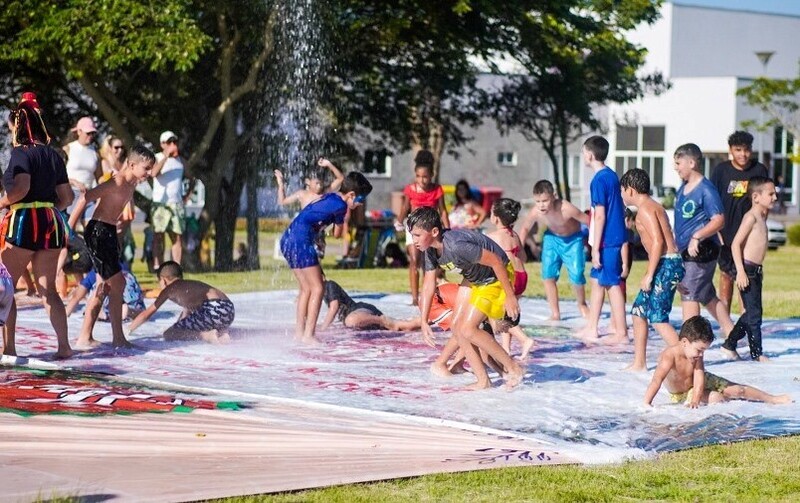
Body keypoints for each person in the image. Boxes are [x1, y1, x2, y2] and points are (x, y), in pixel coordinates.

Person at [410, 206, 524, 390]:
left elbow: (496, 261)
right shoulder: (430, 250)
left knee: (468, 329)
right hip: (474, 277)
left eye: (417, 235)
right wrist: (423, 321)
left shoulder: (456, 246)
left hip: (494, 276)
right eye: (412, 235)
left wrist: (510, 296)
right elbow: (428, 284)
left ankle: (513, 368)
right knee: (457, 327)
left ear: (434, 232)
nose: (413, 240)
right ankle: (483, 380)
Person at [0, 92, 74, 359]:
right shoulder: (54, 155)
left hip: (23, 222)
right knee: (49, 290)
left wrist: (2, 203)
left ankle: (9, 348)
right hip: (50, 223)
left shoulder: (21, 153)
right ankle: (64, 347)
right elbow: (67, 197)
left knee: (7, 287)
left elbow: (21, 188)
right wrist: (46, 209)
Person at [69, 143, 155, 349]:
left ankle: (87, 336)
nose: (149, 173)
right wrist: (68, 228)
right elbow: (85, 198)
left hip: (108, 233)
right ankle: (116, 338)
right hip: (98, 232)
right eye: (146, 168)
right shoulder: (116, 182)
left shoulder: (131, 184)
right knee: (117, 284)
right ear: (132, 165)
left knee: (104, 286)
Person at [280, 171, 373, 343]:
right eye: (360, 200)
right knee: (318, 288)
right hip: (301, 240)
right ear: (351, 195)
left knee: (305, 288)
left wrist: (317, 234)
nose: (360, 204)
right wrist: (341, 221)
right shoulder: (341, 206)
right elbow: (337, 234)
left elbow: (310, 216)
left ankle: (299, 333)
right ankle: (309, 335)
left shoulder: (330, 197)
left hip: (288, 238)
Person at [643, 316, 790, 407]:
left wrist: (696, 399)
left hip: (702, 381)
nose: (701, 354)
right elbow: (656, 380)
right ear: (685, 342)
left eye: (704, 351)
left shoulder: (696, 354)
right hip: (682, 393)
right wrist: (646, 404)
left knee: (738, 390)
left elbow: (699, 375)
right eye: (699, 350)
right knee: (717, 398)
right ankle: (728, 398)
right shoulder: (669, 356)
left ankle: (771, 398)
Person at [620, 168, 685, 371]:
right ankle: (639, 362)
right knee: (639, 311)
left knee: (658, 318)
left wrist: (649, 274)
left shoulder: (646, 210)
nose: (621, 194)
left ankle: (688, 361)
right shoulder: (653, 206)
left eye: (622, 190)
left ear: (630, 190)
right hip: (668, 264)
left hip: (666, 263)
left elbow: (658, 242)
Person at [672, 144, 735, 337]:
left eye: (678, 163)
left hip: (702, 249)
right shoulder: (683, 188)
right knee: (706, 294)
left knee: (689, 292)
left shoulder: (706, 189)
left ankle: (690, 340)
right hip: (686, 250)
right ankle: (732, 332)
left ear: (691, 163)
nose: (675, 168)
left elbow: (719, 219)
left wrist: (697, 236)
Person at [575, 136, 627, 342]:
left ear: (589, 155)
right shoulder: (611, 175)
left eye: (583, 153)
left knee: (612, 284)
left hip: (607, 240)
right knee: (597, 281)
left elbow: (599, 215)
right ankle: (592, 327)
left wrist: (595, 248)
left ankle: (621, 332)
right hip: (610, 237)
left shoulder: (599, 180)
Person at [710, 131, 768, 316]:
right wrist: (716, 231)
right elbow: (712, 202)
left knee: (747, 277)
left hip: (749, 235)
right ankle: (725, 321)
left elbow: (766, 201)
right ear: (730, 150)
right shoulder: (721, 171)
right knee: (726, 275)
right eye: (738, 150)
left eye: (747, 150)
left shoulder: (759, 170)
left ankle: (746, 318)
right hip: (726, 234)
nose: (743, 154)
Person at [720, 177, 777, 362]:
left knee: (752, 313)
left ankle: (729, 345)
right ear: (756, 197)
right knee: (754, 316)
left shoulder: (762, 216)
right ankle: (756, 353)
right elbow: (736, 244)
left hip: (756, 271)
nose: (775, 197)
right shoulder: (750, 217)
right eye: (771, 194)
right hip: (748, 270)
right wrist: (740, 271)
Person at [518, 180, 590, 321]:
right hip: (552, 239)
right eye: (538, 201)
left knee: (577, 274)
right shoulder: (536, 211)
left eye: (545, 201)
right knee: (548, 275)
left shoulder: (566, 208)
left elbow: (588, 221)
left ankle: (582, 304)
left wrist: (596, 242)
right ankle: (555, 312)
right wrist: (519, 248)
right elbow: (525, 228)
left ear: (554, 196)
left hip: (573, 240)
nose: (541, 205)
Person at [127, 261, 234, 344]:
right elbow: (187, 313)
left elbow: (147, 313)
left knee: (169, 333)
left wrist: (128, 329)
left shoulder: (169, 289)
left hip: (212, 309)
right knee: (181, 328)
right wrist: (179, 326)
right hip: (228, 310)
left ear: (163, 280)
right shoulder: (189, 285)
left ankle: (207, 336)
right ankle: (222, 333)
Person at [394, 150, 450, 306]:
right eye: (418, 176)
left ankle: (428, 295)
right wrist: (399, 221)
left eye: (425, 176)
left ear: (431, 175)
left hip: (430, 230)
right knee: (414, 260)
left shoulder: (437, 190)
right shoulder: (410, 189)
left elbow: (443, 211)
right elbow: (405, 207)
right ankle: (414, 298)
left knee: (429, 264)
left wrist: (447, 228)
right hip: (413, 228)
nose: (421, 180)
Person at [486, 198, 534, 359]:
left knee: (498, 315)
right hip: (522, 276)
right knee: (508, 312)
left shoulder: (492, 236)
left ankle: (524, 340)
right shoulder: (514, 235)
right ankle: (506, 348)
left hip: (509, 279)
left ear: (496, 217)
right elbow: (524, 257)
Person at [275, 157, 345, 259]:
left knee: (316, 259)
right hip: (303, 231)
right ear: (308, 181)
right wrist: (281, 185)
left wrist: (329, 164)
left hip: (318, 233)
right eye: (316, 183)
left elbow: (340, 178)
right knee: (303, 259)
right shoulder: (302, 194)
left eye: (321, 183)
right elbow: (282, 201)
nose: (319, 186)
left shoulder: (325, 192)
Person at [320, 279, 421, 331]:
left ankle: (383, 320)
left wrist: (323, 329)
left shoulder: (329, 284)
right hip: (360, 319)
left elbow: (334, 307)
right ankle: (421, 323)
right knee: (404, 327)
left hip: (359, 310)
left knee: (350, 320)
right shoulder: (320, 291)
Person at [151, 130, 188, 269]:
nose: (172, 144)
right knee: (158, 236)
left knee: (176, 237)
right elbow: (154, 173)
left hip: (176, 203)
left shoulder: (180, 160)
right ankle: (158, 266)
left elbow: (192, 177)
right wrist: (166, 156)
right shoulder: (157, 157)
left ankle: (176, 268)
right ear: (162, 144)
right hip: (160, 203)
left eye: (174, 141)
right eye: (169, 142)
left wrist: (187, 195)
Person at [65, 265, 145, 323]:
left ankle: (104, 312)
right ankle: (131, 310)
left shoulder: (95, 272)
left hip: (111, 289)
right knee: (137, 305)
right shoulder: (122, 264)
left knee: (98, 291)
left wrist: (67, 311)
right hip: (127, 284)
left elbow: (77, 296)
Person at [62, 116, 103, 224]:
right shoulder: (68, 149)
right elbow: (58, 175)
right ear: (79, 131)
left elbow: (99, 177)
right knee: (70, 228)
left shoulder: (95, 152)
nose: (90, 136)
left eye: (92, 133)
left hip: (88, 194)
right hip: (71, 193)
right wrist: (74, 182)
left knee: (92, 227)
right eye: (88, 133)